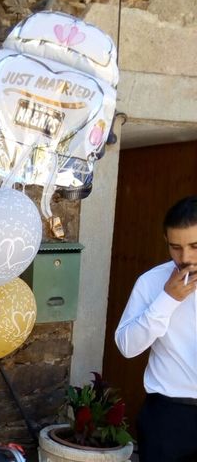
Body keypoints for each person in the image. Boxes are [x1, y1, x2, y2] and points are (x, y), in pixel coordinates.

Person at [115, 195, 197, 462]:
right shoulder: (151, 283)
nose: (185, 257)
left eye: (195, 246)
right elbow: (127, 346)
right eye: (175, 247)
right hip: (168, 417)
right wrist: (167, 300)